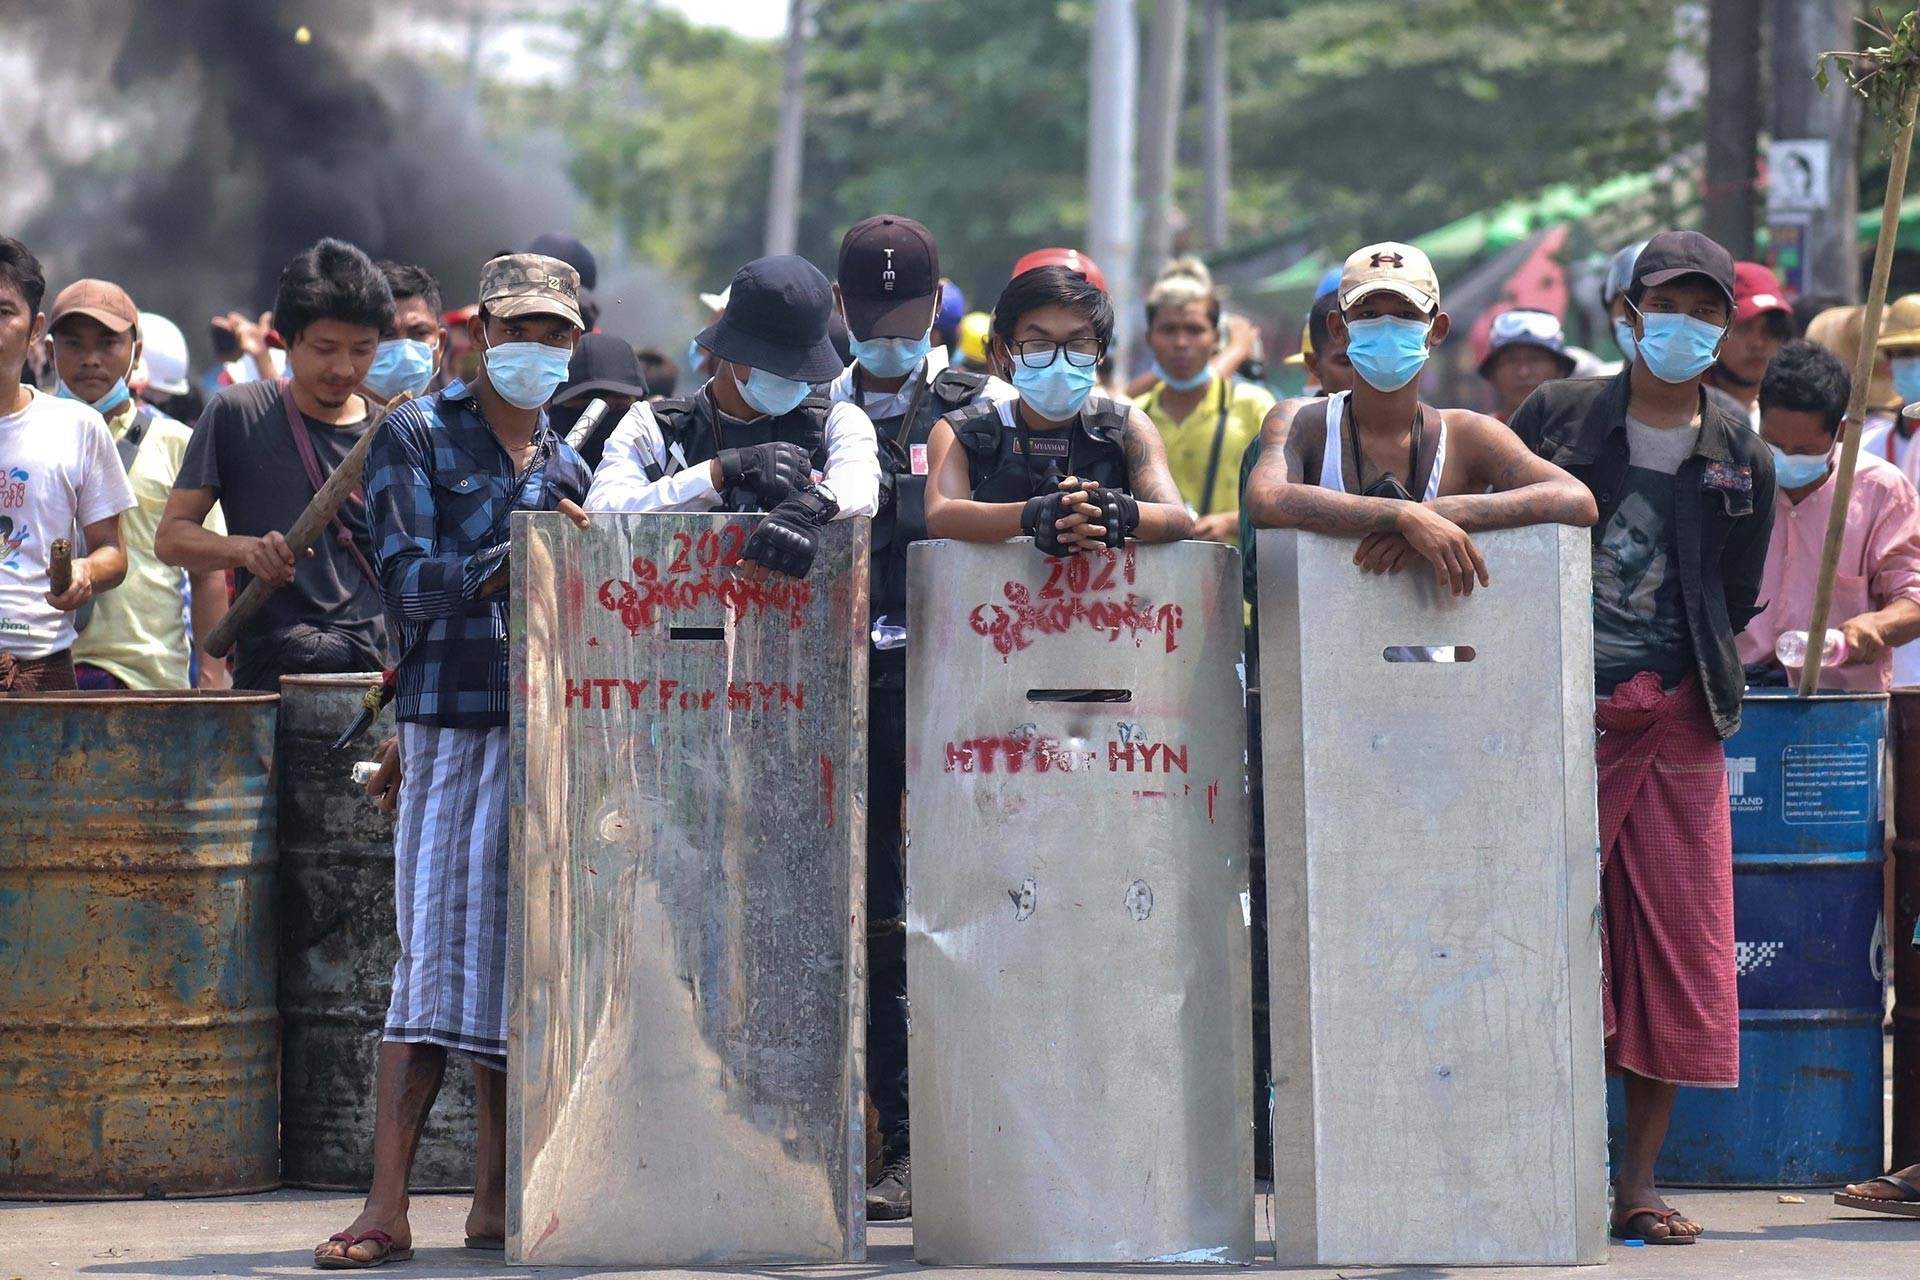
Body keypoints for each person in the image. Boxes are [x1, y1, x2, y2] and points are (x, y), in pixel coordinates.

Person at [313, 254, 593, 1270]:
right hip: (453, 726)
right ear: (476, 334)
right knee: (432, 960)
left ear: (574, 342)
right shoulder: (417, 432)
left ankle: (493, 1197)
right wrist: (508, 559)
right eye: (518, 330)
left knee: (518, 968)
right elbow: (405, 582)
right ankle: (386, 1204)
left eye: (554, 333)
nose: (536, 350)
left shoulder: (566, 464)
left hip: (545, 731)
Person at [1509, 229, 1776, 1245]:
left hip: (1677, 719)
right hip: (1544, 706)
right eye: (1671, 304)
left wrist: (1663, 670)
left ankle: (1638, 1181)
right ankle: (1532, 1159)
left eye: (1710, 309)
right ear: (1626, 314)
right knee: (1535, 930)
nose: (1690, 325)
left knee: (1672, 944)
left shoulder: (1738, 445)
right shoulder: (1559, 413)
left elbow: (1738, 591)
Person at [823, 215, 1014, 1223]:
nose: (892, 337)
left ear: (936, 305)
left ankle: (966, 1130)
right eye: (873, 317)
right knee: (863, 917)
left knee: (970, 905)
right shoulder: (815, 407)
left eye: (909, 317)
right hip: (846, 687)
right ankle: (888, 1135)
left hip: (960, 686)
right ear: (841, 309)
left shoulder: (984, 408)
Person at [1242, 243, 1596, 597]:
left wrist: (1445, 511)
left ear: (1436, 330)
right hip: (1330, 648)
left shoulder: (1467, 435)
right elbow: (1265, 499)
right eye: (1367, 315)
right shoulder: (1301, 421)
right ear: (1339, 328)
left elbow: (1576, 500)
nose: (1386, 328)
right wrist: (1404, 517)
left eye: (1406, 314)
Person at [156, 237, 395, 691]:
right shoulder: (237, 413)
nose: (344, 368)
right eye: (325, 348)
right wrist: (246, 550)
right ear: (285, 340)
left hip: (374, 682)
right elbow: (171, 539)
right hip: (270, 681)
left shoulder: (396, 434)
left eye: (362, 349)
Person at [589, 255, 879, 583]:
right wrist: (717, 473)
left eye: (804, 368)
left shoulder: (834, 421)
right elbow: (601, 513)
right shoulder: (655, 426)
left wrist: (811, 506)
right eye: (783, 366)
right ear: (734, 353)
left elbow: (861, 484)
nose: (797, 379)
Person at [922, 263, 1193, 548]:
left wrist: (1115, 510)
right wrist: (1034, 514)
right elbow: (941, 515)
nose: (1060, 361)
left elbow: (1178, 518)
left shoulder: (1126, 427)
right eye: (1039, 344)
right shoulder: (962, 432)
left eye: (1079, 344)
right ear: (1004, 350)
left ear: (1100, 352)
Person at [44, 279, 230, 691]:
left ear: (136, 352)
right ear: (49, 350)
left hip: (149, 681)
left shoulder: (178, 444)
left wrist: (213, 681)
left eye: (108, 343)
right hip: (41, 672)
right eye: (74, 344)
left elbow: (208, 572)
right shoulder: (23, 436)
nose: (91, 359)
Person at [1734, 340, 1920, 691]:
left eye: (1804, 450)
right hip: (1740, 698)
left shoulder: (1881, 492)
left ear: (1842, 432)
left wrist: (1877, 626)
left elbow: (1913, 597)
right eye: (1774, 445)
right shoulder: (1730, 480)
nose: (1787, 457)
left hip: (1838, 701)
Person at [0, 240, 134, 690]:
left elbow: (112, 553)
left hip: (42, 671)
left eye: (3, 313)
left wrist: (84, 572)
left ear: (35, 329)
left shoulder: (77, 427)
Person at [1134, 258, 1276, 544]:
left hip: (1237, 584)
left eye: (1194, 330)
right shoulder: (1135, 415)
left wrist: (1233, 522)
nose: (1181, 343)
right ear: (1149, 338)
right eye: (1169, 330)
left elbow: (1286, 496)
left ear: (1215, 339)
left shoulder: (1254, 405)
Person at [1700, 261, 1794, 420]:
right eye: (1743, 328)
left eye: (1770, 329)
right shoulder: (1688, 410)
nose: (1758, 343)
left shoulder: (1797, 413)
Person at [549, 333, 650, 469]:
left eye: (617, 406)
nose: (598, 420)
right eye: (583, 408)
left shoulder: (668, 471)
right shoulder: (530, 476)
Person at [361, 262, 446, 404]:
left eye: (419, 333)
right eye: (387, 334)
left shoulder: (462, 424)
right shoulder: (319, 425)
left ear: (441, 345)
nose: (404, 351)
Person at [1478, 308, 1575, 421]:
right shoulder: (1473, 436)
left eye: (1535, 359)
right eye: (1511, 360)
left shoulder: (1586, 433)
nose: (1524, 372)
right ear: (1494, 373)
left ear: (1560, 370)